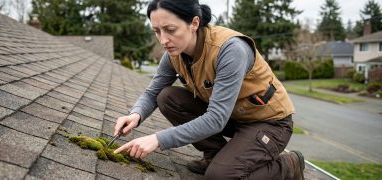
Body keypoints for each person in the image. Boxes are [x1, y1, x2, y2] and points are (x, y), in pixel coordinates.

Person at [113, 0, 305, 179]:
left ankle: (289, 165)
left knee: (218, 176)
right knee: (167, 97)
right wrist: (136, 115)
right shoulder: (173, 54)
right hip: (232, 117)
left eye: (170, 30)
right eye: (157, 31)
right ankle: (215, 154)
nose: (163, 40)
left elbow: (216, 119)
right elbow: (153, 93)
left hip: (269, 123)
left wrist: (158, 139)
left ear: (194, 23)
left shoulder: (230, 50)